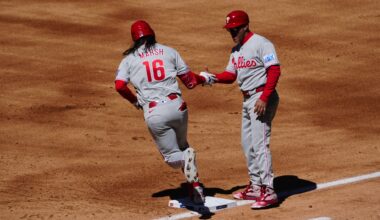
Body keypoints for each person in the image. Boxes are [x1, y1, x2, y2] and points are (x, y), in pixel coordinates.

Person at [114, 20, 207, 204]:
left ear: (134, 39)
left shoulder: (129, 60)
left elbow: (119, 86)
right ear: (152, 34)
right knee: (183, 145)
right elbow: (189, 81)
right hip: (178, 108)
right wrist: (203, 77)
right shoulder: (169, 51)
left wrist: (135, 101)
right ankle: (196, 189)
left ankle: (185, 159)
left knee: (173, 158)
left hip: (156, 112)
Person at [200, 10, 281, 209]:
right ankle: (255, 186)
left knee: (260, 143)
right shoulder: (236, 50)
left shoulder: (262, 43)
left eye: (235, 28)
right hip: (247, 100)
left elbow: (274, 70)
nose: (232, 32)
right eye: (230, 29)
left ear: (245, 26)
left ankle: (269, 191)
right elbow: (230, 75)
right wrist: (213, 77)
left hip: (262, 98)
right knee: (247, 143)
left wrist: (264, 97)